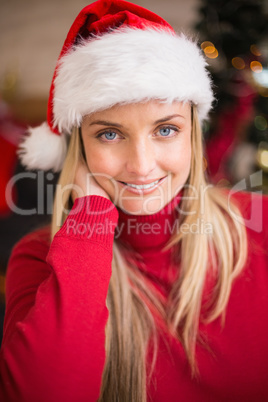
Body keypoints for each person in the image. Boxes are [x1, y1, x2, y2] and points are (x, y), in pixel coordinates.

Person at [1, 0, 268, 401]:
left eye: (165, 130)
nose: (142, 167)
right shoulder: (39, 259)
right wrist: (90, 216)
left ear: (192, 135)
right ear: (79, 145)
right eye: (109, 134)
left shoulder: (257, 223)